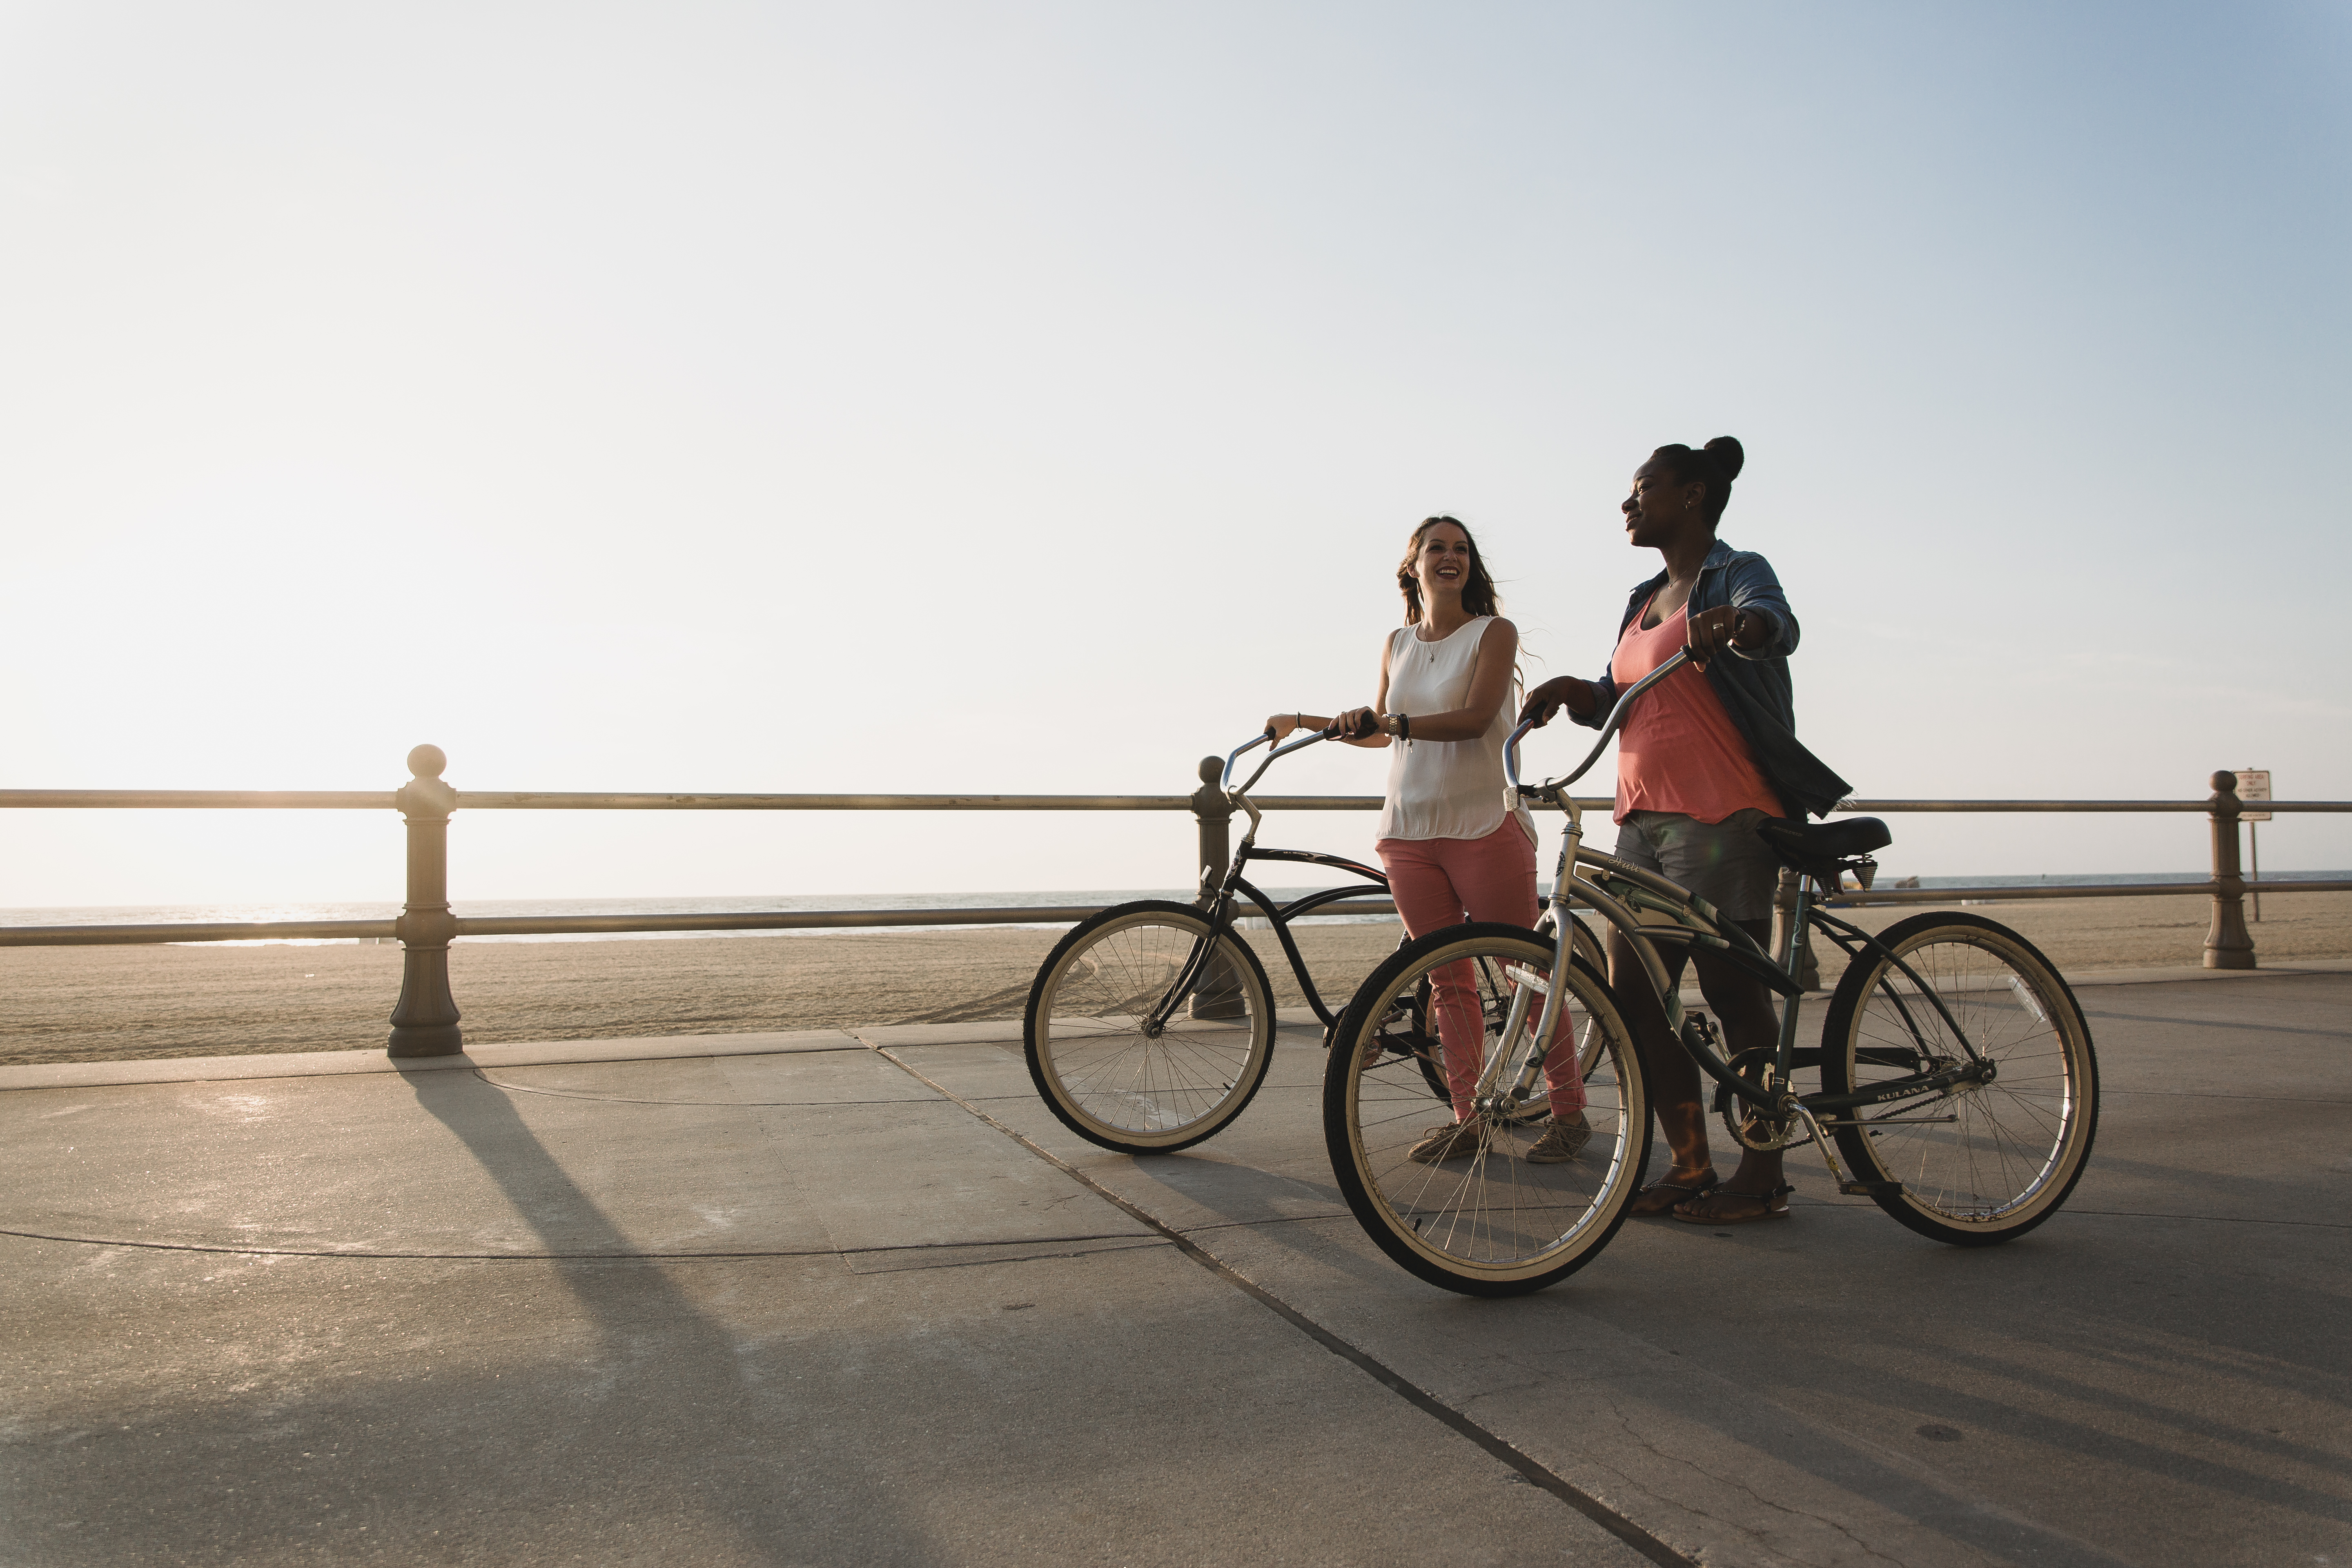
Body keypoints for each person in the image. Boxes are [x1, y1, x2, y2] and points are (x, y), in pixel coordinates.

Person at [1520, 438, 1850, 1223]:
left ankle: (1763, 1171)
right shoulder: (1642, 595)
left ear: (1694, 495)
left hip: (1724, 813)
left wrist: (1741, 623)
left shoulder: (1736, 572)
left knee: (1733, 990)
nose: (1629, 505)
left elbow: (1780, 625)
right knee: (1637, 1000)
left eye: (1644, 489)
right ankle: (1691, 1164)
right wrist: (1576, 691)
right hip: (1642, 820)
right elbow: (1620, 695)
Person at [1271, 517, 1587, 1165]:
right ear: (1411, 566)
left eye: (1461, 549)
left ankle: (1570, 1111)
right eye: (1436, 549)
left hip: (1482, 825)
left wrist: (1391, 719)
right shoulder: (1396, 642)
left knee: (1523, 972)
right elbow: (1384, 733)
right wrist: (1308, 720)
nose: (1451, 558)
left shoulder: (1493, 633)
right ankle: (1468, 1120)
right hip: (1408, 832)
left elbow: (1475, 720)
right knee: (1446, 981)